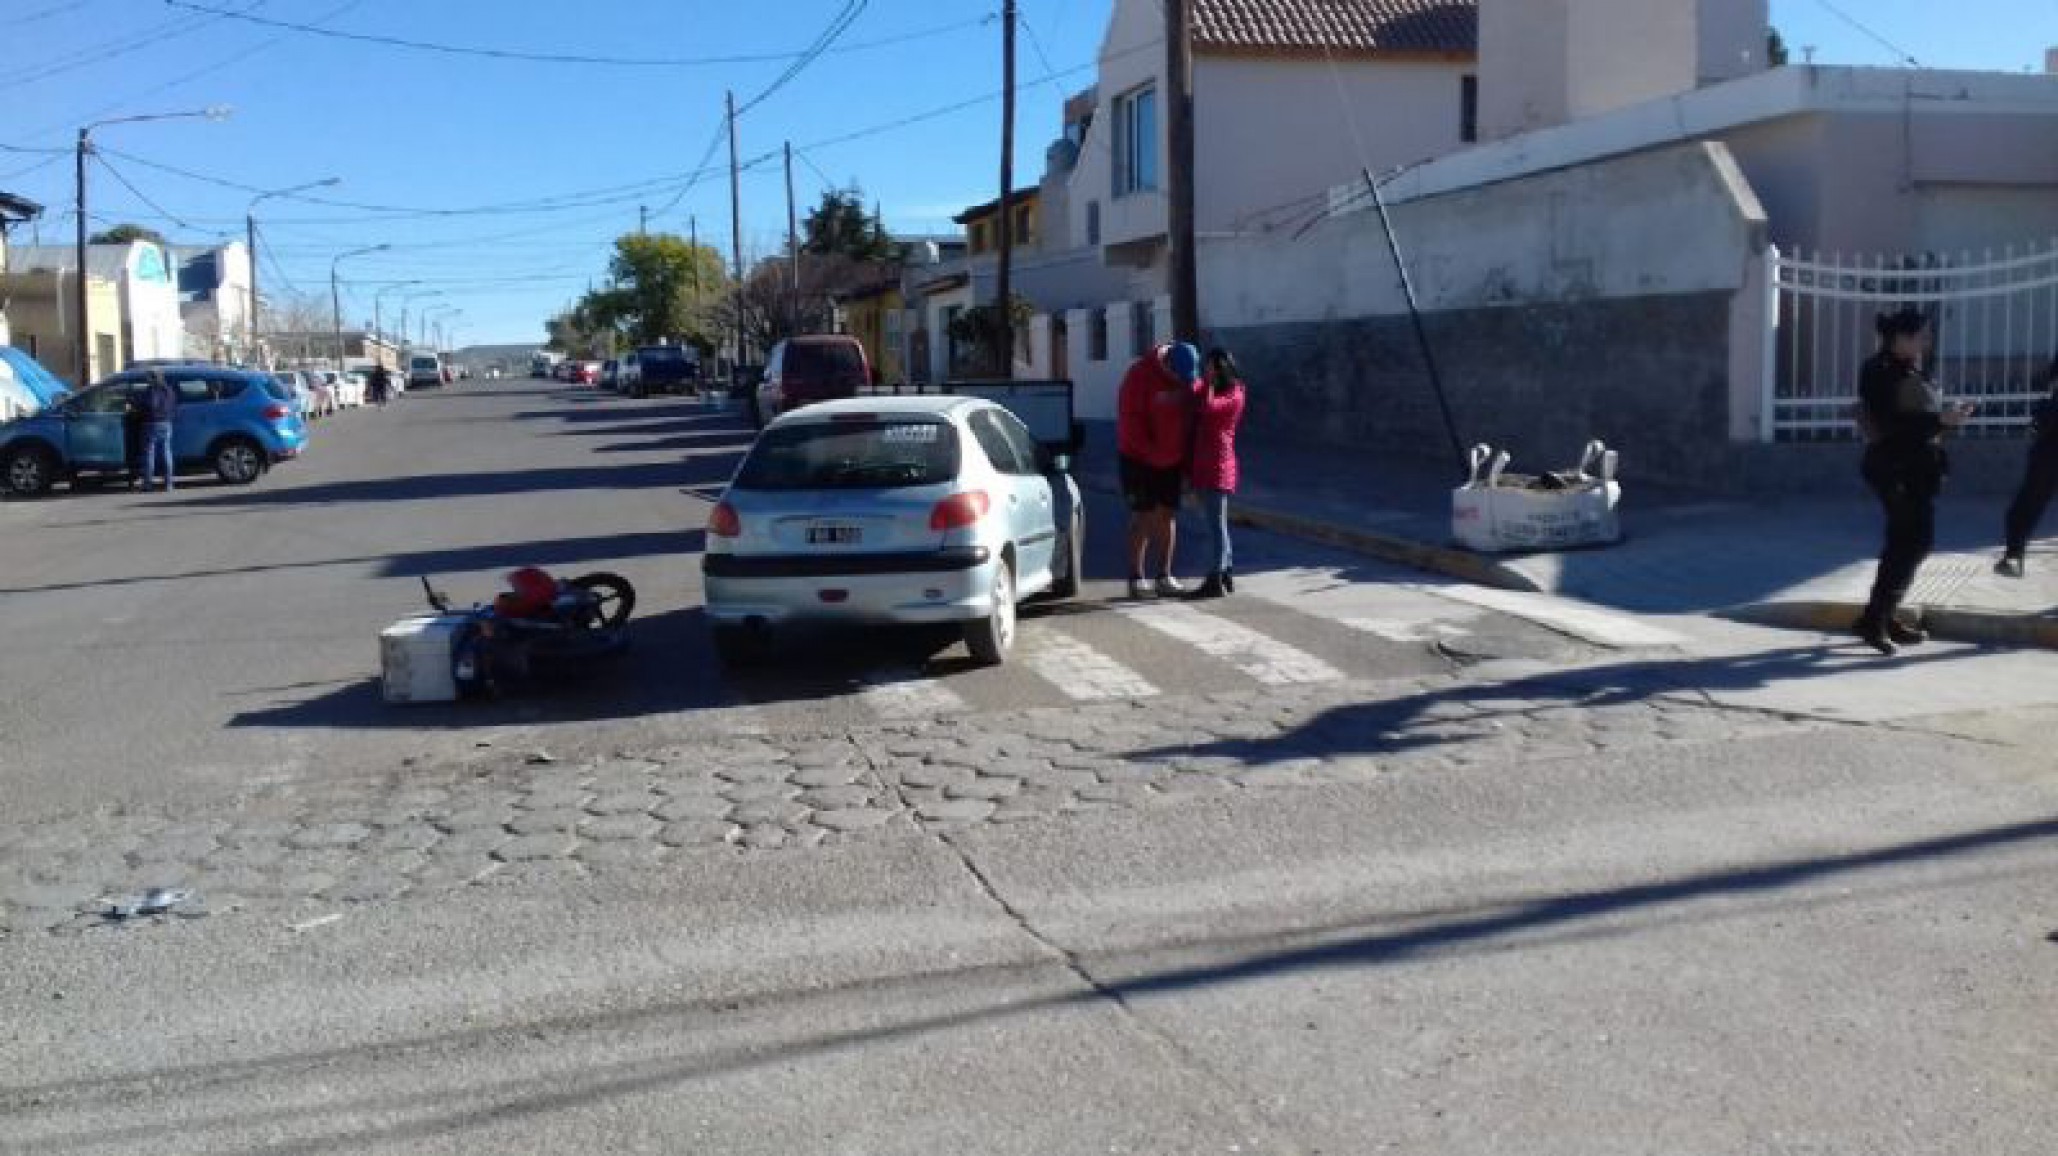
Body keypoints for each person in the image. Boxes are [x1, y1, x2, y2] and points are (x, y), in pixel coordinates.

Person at [1853, 307, 1974, 655]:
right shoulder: (1879, 370)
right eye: (1920, 335)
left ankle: (1881, 616)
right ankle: (1874, 621)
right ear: (1899, 338)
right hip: (1894, 468)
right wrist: (1940, 420)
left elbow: (1919, 416)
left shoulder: (1910, 368)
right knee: (1912, 541)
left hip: (1915, 467)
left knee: (1906, 542)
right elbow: (1892, 424)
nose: (1926, 340)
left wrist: (1947, 418)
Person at [1117, 341, 1198, 599]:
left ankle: (1164, 575)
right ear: (1168, 364)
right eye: (1180, 376)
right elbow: (1130, 424)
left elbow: (1194, 405)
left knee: (1167, 515)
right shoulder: (1139, 376)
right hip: (1139, 460)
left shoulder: (1185, 378)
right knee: (1142, 515)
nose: (1183, 383)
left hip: (1171, 460)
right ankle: (1136, 577)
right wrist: (1152, 454)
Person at [1185, 348, 1247, 600]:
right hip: (1204, 463)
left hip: (1218, 466)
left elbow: (1211, 408)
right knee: (1216, 524)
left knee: (1215, 527)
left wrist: (1208, 383)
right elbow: (1193, 392)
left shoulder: (1234, 395)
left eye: (1211, 367)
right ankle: (1226, 572)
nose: (1207, 371)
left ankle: (1215, 576)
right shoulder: (1213, 389)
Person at [1996, 353, 2058, 578]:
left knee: (2025, 506)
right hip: (2049, 450)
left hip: (2049, 450)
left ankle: (2013, 554)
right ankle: (2013, 554)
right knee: (2025, 505)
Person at [137, 370, 179, 493]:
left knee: (150, 454)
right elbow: (173, 405)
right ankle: (169, 484)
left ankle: (148, 484)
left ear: (153, 378)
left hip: (151, 423)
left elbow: (147, 406)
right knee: (167, 452)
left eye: (149, 378)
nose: (147, 380)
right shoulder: (169, 390)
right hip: (166, 423)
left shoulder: (150, 390)